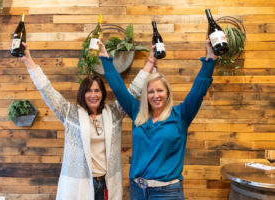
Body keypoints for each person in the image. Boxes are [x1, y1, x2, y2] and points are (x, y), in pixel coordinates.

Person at [19, 42, 155, 200]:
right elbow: (47, 90)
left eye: (97, 90)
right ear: (82, 94)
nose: (93, 95)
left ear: (102, 94)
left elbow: (134, 90)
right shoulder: (71, 114)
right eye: (89, 91)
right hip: (79, 186)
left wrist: (151, 62)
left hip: (106, 185)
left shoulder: (114, 113)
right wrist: (28, 60)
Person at [98, 40, 218, 200]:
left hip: (167, 193)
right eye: (151, 91)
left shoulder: (181, 115)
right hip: (137, 190)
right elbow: (119, 89)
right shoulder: (137, 113)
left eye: (160, 90)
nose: (156, 95)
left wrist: (210, 59)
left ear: (167, 93)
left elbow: (198, 90)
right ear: (145, 95)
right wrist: (106, 60)